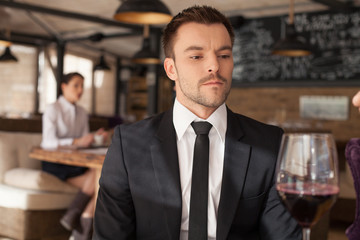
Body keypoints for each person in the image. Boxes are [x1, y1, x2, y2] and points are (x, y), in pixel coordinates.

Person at [93, 5, 301, 240]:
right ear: (171, 69)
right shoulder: (128, 144)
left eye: (224, 55)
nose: (214, 65)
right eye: (196, 56)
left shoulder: (271, 143)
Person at [41, 72, 106, 240]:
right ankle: (79, 230)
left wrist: (94, 138)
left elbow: (83, 143)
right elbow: (47, 142)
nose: (80, 90)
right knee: (100, 181)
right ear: (63, 86)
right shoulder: (52, 109)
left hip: (77, 164)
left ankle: (74, 219)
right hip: (55, 163)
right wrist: (77, 141)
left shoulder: (82, 112)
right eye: (76, 85)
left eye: (82, 86)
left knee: (102, 181)